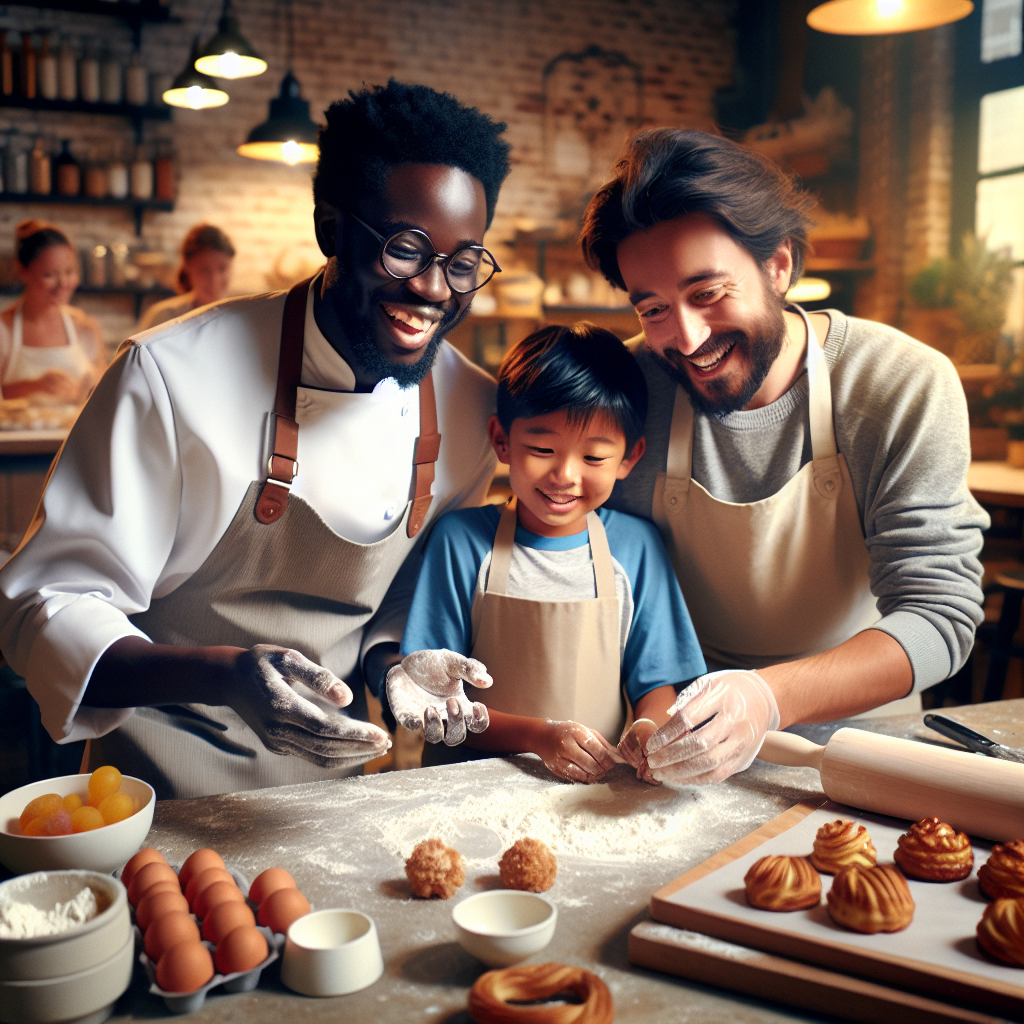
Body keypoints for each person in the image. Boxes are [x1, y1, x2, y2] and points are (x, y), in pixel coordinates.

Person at [0, 81, 513, 799]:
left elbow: (396, 599)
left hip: (344, 794)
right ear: (331, 227)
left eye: (463, 264)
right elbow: (45, 604)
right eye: (406, 250)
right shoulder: (171, 376)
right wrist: (223, 676)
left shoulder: (468, 407)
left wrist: (392, 666)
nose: (434, 289)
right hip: (161, 793)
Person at [577, 129, 988, 786]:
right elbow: (597, 574)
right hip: (677, 747)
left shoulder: (900, 383)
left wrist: (763, 699)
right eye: (653, 307)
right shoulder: (630, 388)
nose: (685, 338)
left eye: (708, 292)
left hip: (862, 750)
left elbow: (938, 617)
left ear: (778, 266)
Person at [388, 324, 706, 783]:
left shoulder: (636, 548)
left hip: (595, 797)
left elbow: (657, 682)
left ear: (629, 458)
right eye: (541, 449)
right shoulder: (460, 542)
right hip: (465, 790)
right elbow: (436, 698)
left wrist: (647, 729)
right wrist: (540, 737)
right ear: (502, 441)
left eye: (594, 458)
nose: (565, 475)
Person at [0, 220, 105, 405]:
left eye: (69, 272)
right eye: (49, 275)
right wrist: (35, 386)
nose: (63, 283)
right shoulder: (4, 329)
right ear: (22, 270)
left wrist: (89, 389)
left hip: (76, 434)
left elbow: (105, 395)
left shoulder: (85, 327)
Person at [136, 224, 235, 332]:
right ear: (188, 268)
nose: (214, 280)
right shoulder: (164, 318)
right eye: (204, 270)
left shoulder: (242, 317)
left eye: (222, 269)